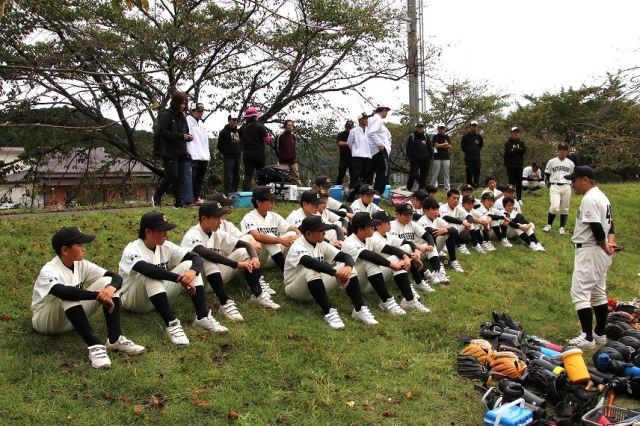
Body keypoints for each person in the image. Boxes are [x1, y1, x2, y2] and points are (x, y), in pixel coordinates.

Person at [32, 227, 145, 369]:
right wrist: (97, 295)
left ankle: (115, 339)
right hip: (46, 322)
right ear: (65, 250)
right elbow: (62, 292)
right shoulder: (49, 270)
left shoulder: (81, 264)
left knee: (108, 283)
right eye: (79, 244)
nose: (83, 248)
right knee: (69, 294)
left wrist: (110, 289)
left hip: (71, 319)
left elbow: (115, 277)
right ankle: (94, 346)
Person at [119, 212, 226, 346]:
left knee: (188, 266)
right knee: (152, 275)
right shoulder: (132, 249)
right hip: (133, 300)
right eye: (162, 231)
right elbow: (147, 269)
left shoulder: (166, 246)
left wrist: (192, 271)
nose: (166, 235)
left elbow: (196, 258)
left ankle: (202, 316)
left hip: (157, 295)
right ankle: (172, 324)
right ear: (148, 232)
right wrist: (179, 278)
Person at [180, 201, 279, 323]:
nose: (220, 221)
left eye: (220, 217)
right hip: (195, 284)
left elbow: (246, 244)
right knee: (209, 259)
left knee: (244, 251)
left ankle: (257, 293)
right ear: (204, 219)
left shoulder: (217, 233)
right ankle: (225, 302)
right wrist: (235, 264)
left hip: (214, 279)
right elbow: (205, 253)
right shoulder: (192, 234)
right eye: (216, 218)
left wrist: (254, 257)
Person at [284, 215, 378, 330]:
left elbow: (346, 256)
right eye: (321, 231)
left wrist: (348, 267)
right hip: (295, 289)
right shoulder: (297, 245)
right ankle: (328, 312)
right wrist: (335, 273)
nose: (324, 233)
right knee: (311, 269)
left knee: (347, 268)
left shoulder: (321, 243)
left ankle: (359, 309)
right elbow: (309, 262)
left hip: (315, 287)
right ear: (308, 233)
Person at [564, 166, 617, 348]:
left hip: (590, 250)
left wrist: (604, 245)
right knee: (598, 292)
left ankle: (587, 337)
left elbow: (596, 227)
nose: (572, 184)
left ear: (585, 179)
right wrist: (609, 243)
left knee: (580, 293)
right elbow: (611, 225)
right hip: (598, 250)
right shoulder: (602, 196)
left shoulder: (590, 198)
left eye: (574, 180)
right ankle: (599, 333)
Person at [342, 213, 427, 316]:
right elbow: (369, 255)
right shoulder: (349, 242)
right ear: (360, 229)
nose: (373, 227)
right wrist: (391, 265)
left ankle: (409, 299)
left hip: (370, 280)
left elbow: (391, 249)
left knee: (396, 258)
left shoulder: (369, 238)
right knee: (369, 260)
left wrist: (406, 257)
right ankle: (386, 300)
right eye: (370, 226)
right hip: (352, 284)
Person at [208, 192, 276, 296]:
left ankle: (256, 280)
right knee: (245, 250)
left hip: (226, 264)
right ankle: (255, 285)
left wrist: (253, 243)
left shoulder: (226, 224)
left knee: (248, 240)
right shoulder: (209, 229)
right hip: (214, 272)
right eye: (225, 206)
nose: (227, 209)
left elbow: (242, 237)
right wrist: (249, 247)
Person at [240, 186, 301, 271]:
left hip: (273, 257)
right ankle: (285, 270)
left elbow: (293, 229)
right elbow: (257, 236)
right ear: (259, 202)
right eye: (270, 200)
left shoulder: (274, 216)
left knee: (292, 234)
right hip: (256, 259)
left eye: (273, 200)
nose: (273, 203)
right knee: (269, 237)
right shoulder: (249, 218)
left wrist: (298, 234)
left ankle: (296, 263)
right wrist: (281, 240)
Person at [389, 203, 450, 285]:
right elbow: (396, 244)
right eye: (406, 215)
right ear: (397, 214)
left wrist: (430, 244)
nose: (409, 217)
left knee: (430, 246)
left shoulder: (412, 223)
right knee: (407, 247)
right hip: (399, 255)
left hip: (414, 251)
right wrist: (415, 246)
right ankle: (422, 276)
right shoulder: (392, 225)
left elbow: (427, 235)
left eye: (410, 214)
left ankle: (437, 272)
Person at [153, 92, 193, 208]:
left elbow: (184, 131)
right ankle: (157, 196)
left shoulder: (183, 117)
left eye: (184, 104)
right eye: (181, 103)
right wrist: (181, 136)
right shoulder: (166, 115)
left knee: (180, 177)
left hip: (181, 150)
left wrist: (187, 137)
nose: (183, 106)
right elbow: (163, 132)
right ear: (175, 102)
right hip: (169, 151)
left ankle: (179, 202)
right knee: (172, 175)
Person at [543, 143, 574, 235]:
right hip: (555, 185)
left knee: (565, 208)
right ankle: (549, 225)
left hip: (566, 185)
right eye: (560, 150)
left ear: (567, 152)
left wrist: (573, 185)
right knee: (554, 206)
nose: (562, 152)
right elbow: (546, 174)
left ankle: (562, 227)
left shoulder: (570, 163)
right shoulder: (552, 161)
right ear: (558, 151)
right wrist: (546, 183)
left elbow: (573, 175)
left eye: (564, 150)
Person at [184, 102, 210, 206]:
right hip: (193, 154)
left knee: (200, 177)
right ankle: (189, 197)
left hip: (203, 155)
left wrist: (208, 155)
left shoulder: (202, 124)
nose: (200, 113)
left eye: (202, 111)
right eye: (198, 111)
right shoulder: (187, 121)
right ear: (193, 111)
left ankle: (196, 196)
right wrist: (188, 151)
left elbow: (206, 140)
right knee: (192, 177)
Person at [240, 107, 271, 191]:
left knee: (248, 175)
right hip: (259, 153)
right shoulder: (260, 127)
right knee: (261, 174)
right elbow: (267, 140)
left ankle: (245, 192)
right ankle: (261, 193)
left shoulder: (242, 128)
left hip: (247, 153)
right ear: (255, 116)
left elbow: (240, 140)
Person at [438, 189, 473, 259]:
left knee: (470, 224)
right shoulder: (443, 207)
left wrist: (468, 224)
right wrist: (462, 222)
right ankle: (452, 245)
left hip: (455, 231)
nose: (456, 200)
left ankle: (474, 244)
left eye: (457, 198)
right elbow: (446, 217)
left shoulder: (458, 208)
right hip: (443, 232)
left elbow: (469, 217)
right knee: (453, 225)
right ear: (448, 198)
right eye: (454, 198)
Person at [366, 106, 392, 195]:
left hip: (373, 151)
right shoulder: (378, 119)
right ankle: (379, 191)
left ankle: (376, 191)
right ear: (383, 111)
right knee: (385, 170)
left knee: (379, 171)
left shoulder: (372, 120)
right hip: (379, 150)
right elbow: (372, 132)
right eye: (386, 112)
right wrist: (380, 144)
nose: (386, 114)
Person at [217, 114, 242, 194]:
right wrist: (225, 153)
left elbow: (241, 142)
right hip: (229, 156)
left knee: (237, 176)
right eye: (233, 120)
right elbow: (220, 145)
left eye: (236, 120)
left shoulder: (238, 131)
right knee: (228, 175)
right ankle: (226, 192)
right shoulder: (224, 132)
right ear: (229, 121)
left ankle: (234, 191)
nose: (235, 122)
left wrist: (240, 150)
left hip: (237, 156)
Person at [274, 120, 303, 186]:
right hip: (283, 161)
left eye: (292, 125)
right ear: (285, 126)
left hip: (293, 161)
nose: (291, 127)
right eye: (289, 125)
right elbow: (276, 148)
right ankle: (285, 190)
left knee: (296, 177)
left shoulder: (293, 136)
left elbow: (294, 147)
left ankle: (300, 190)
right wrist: (281, 156)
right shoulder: (280, 136)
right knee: (284, 178)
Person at [405, 122, 432, 191]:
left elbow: (430, 147)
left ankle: (421, 189)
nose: (420, 128)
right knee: (413, 174)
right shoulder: (412, 137)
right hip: (415, 159)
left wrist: (429, 157)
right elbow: (408, 149)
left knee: (424, 175)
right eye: (419, 127)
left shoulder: (425, 136)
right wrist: (411, 159)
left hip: (425, 159)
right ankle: (409, 188)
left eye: (421, 127)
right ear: (416, 127)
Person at [503, 127, 527, 204]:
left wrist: (514, 150)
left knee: (519, 182)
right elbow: (508, 153)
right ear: (511, 134)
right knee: (511, 183)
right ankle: (512, 198)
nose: (515, 134)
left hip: (519, 165)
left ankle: (519, 198)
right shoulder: (508, 143)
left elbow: (523, 151)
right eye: (514, 133)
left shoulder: (521, 143)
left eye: (516, 133)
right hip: (510, 166)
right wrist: (517, 151)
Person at [347, 113, 371, 187]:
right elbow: (349, 142)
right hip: (357, 155)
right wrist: (356, 149)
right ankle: (353, 189)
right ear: (360, 120)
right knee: (356, 174)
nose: (366, 120)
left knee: (366, 174)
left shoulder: (369, 130)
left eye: (367, 119)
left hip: (367, 155)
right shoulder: (353, 131)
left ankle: (365, 189)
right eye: (364, 119)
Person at [460, 120, 484, 188]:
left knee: (477, 171)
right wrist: (468, 152)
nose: (474, 128)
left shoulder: (479, 137)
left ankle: (476, 185)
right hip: (468, 157)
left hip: (477, 157)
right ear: (470, 127)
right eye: (473, 126)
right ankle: (469, 186)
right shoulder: (465, 137)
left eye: (475, 126)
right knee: (469, 172)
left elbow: (480, 145)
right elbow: (463, 146)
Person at [430, 123, 452, 191]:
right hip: (437, 157)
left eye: (443, 128)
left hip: (446, 157)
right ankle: (432, 187)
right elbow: (436, 145)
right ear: (438, 129)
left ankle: (447, 188)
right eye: (440, 128)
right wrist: (445, 144)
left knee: (446, 174)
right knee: (435, 173)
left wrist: (442, 145)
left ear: (444, 129)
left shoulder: (447, 137)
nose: (442, 130)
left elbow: (450, 146)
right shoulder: (435, 137)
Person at [335, 120, 354, 189]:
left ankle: (351, 189)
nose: (349, 129)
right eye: (348, 127)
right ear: (345, 127)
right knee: (341, 174)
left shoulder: (354, 135)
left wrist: (346, 143)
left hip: (353, 158)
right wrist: (350, 143)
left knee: (353, 175)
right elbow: (340, 143)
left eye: (350, 128)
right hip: (344, 158)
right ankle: (337, 188)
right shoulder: (341, 134)